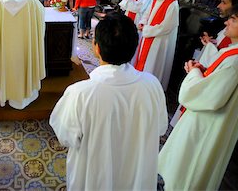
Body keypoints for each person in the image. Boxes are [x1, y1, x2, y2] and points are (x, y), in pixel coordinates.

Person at [50, 12, 168, 190]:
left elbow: (66, 137)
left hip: (94, 175)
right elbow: (160, 128)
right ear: (134, 47)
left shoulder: (79, 93)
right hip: (136, 174)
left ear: (96, 47)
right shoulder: (152, 85)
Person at [158, 4, 238, 190]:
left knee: (187, 172)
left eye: (233, 19)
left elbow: (204, 96)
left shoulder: (236, 61)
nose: (226, 22)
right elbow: (220, 87)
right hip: (213, 123)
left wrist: (193, 73)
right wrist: (203, 71)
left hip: (205, 126)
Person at [134, 0, 179, 90]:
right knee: (143, 62)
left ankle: (149, 88)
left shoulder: (172, 3)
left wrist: (147, 30)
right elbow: (148, 12)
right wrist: (143, 22)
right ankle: (140, 84)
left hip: (158, 41)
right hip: (148, 36)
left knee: (153, 65)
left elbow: (166, 27)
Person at [197, 0, 238, 67]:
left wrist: (210, 45)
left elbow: (219, 61)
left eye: (224, 3)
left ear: (235, 7)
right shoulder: (231, 28)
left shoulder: (235, 33)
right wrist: (211, 42)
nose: (218, 6)